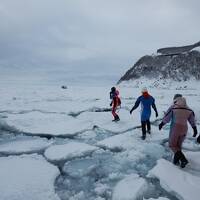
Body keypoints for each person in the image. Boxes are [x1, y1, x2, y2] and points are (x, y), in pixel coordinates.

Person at [159, 96, 198, 168]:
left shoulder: (173, 107)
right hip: (184, 129)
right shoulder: (189, 109)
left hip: (175, 128)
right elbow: (192, 121)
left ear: (176, 100)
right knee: (178, 146)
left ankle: (183, 160)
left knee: (172, 145)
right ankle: (176, 161)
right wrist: (195, 129)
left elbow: (167, 117)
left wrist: (162, 124)